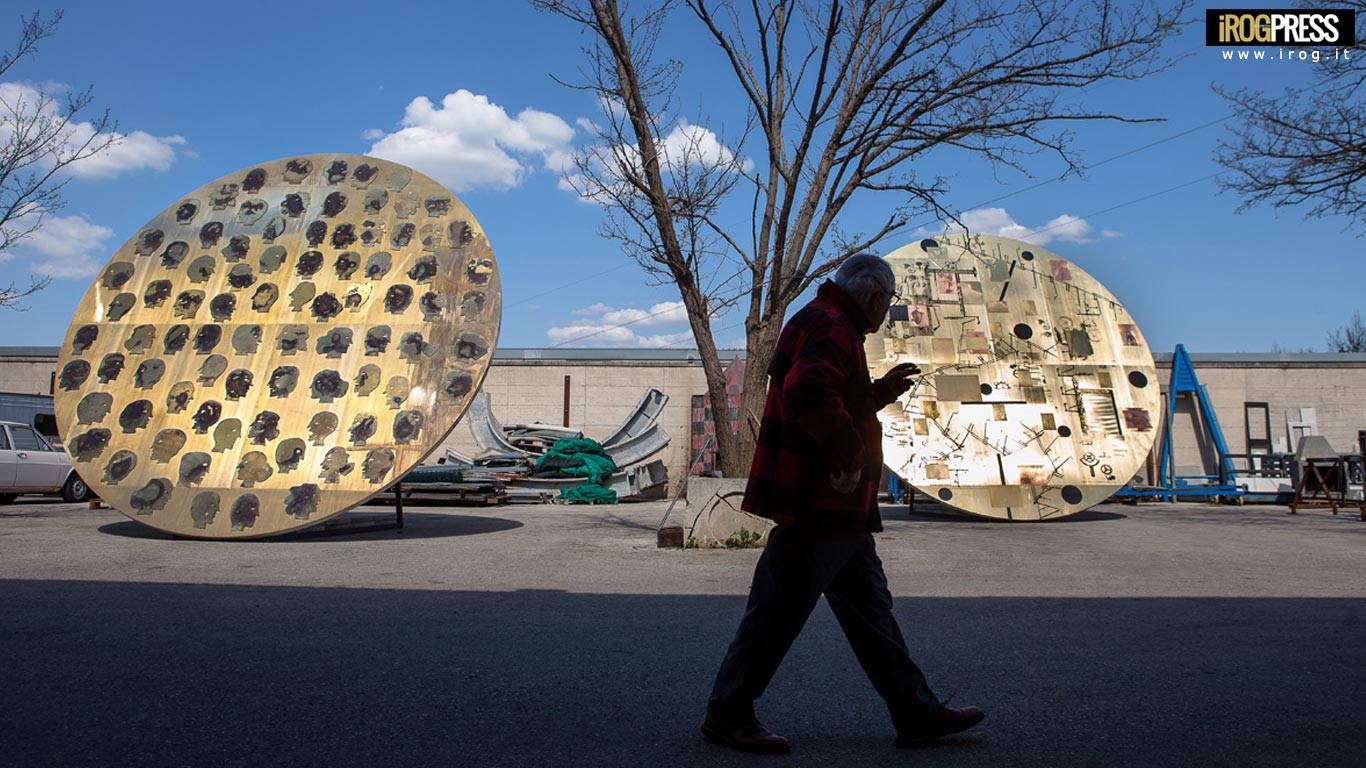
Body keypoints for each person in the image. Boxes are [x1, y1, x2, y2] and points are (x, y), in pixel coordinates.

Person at [701, 254, 984, 754]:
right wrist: (847, 455)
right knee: (778, 611)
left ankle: (916, 713)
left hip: (833, 509)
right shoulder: (834, 327)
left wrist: (878, 393)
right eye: (887, 304)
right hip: (821, 502)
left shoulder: (822, 320)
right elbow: (808, 388)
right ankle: (728, 713)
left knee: (871, 614)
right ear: (874, 299)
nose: (884, 313)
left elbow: (826, 390)